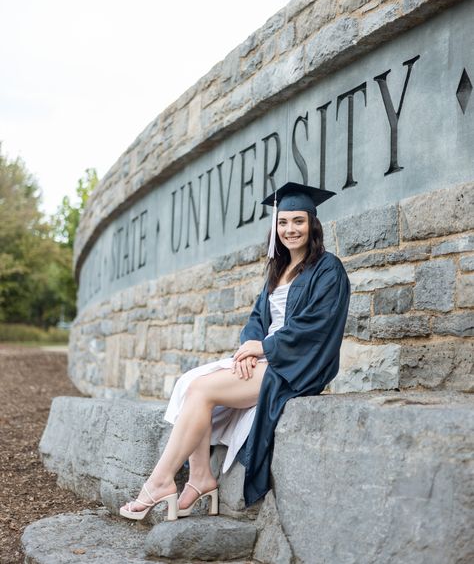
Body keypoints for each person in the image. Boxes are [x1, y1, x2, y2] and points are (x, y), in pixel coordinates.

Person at [119, 181, 351, 521]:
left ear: (312, 224)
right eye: (283, 223)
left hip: (295, 364)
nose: (290, 229)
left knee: (203, 389)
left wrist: (265, 347)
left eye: (298, 221)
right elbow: (258, 317)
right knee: (191, 383)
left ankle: (159, 483)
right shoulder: (279, 268)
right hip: (263, 357)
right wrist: (248, 347)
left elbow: (318, 326)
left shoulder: (328, 269)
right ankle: (199, 478)